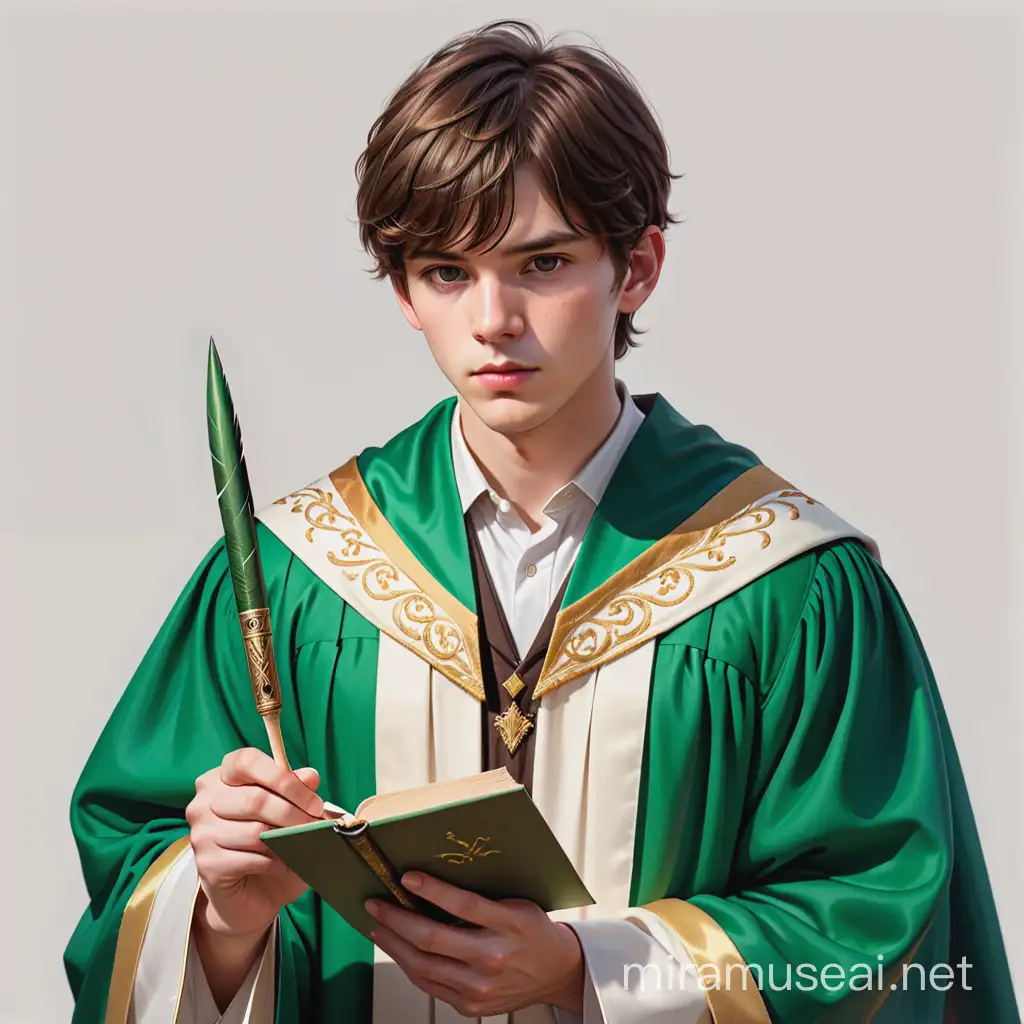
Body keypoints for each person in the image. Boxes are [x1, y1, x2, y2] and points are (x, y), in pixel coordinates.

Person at [64, 18, 1018, 1024]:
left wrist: (588, 971)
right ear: (401, 289)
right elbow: (134, 886)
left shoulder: (786, 584)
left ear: (636, 267)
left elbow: (885, 934)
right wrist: (223, 914)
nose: (492, 320)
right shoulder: (298, 576)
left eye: (544, 264)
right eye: (446, 272)